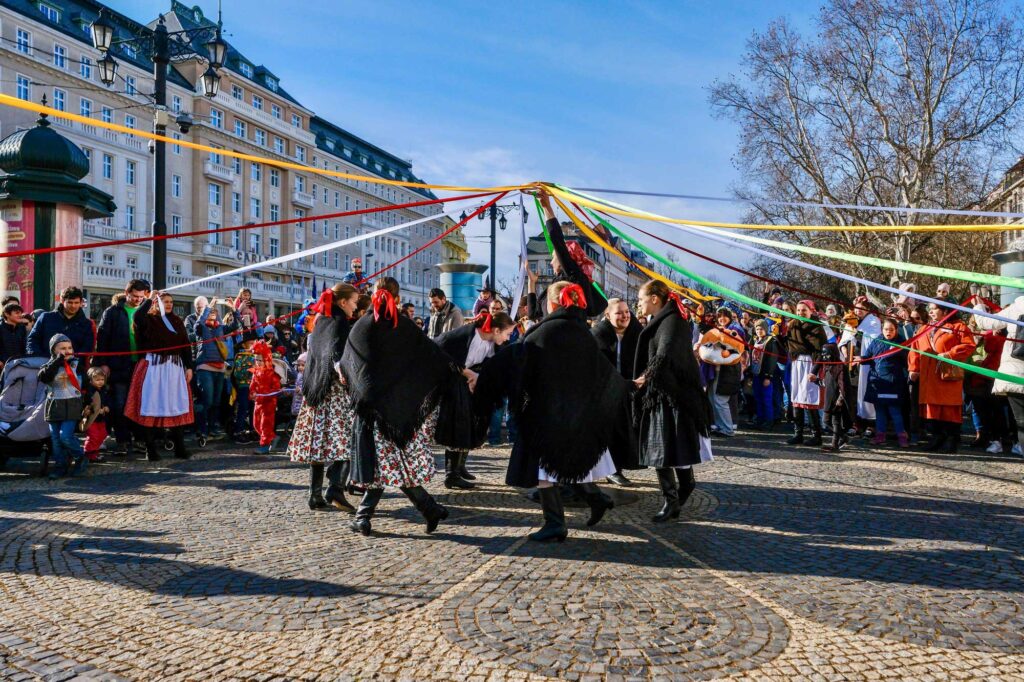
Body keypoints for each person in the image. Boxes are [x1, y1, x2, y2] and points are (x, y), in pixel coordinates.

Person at [475, 281, 633, 542]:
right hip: (578, 414)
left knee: (545, 472)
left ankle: (555, 523)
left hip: (549, 415)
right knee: (567, 466)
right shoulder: (582, 331)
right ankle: (597, 499)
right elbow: (603, 371)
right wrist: (625, 387)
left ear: (552, 303)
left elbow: (519, 363)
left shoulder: (544, 331)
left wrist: (483, 378)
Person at [341, 277, 462, 536]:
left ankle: (367, 517)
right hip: (398, 410)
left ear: (373, 295)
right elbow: (432, 356)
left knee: (382, 466)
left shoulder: (362, 325)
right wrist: (455, 372)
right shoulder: (405, 326)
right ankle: (429, 509)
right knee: (392, 466)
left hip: (372, 411)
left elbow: (348, 365)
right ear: (396, 298)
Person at [633, 280, 713, 522]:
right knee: (668, 449)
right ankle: (677, 495)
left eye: (641, 299)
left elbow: (665, 354)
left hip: (670, 396)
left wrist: (644, 378)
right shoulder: (666, 319)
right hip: (665, 394)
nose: (639, 303)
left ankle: (673, 500)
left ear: (655, 299)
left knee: (663, 450)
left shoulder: (671, 321)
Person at [288, 284, 360, 512]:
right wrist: (342, 371)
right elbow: (337, 352)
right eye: (354, 302)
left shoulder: (321, 321)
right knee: (347, 440)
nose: (356, 307)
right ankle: (335, 487)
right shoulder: (339, 323)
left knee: (317, 444)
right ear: (343, 302)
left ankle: (314, 494)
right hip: (333, 391)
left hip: (315, 390)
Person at [433, 310, 516, 489]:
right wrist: (468, 373)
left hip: (470, 384)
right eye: (507, 333)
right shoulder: (462, 337)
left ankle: (460, 466)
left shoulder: (492, 343)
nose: (508, 338)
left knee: (472, 424)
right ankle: (451, 473)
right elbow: (441, 355)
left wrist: (478, 377)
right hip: (453, 384)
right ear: (495, 330)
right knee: (458, 426)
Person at [124, 291, 194, 461]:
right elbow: (138, 316)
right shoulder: (148, 319)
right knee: (151, 405)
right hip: (153, 368)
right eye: (164, 302)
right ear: (156, 303)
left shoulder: (177, 321)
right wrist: (149, 299)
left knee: (176, 405)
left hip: (174, 369)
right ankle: (151, 450)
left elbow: (185, 345)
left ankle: (180, 448)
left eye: (170, 302)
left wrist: (189, 366)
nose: (168, 304)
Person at [525, 192, 606, 320]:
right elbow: (533, 314)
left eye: (553, 257)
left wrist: (547, 208)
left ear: (566, 257)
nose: (551, 262)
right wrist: (531, 283)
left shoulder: (574, 276)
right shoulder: (555, 284)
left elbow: (557, 240)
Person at [908, 302, 975, 453]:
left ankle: (951, 439)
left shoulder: (958, 327)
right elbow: (914, 349)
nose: (930, 312)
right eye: (929, 309)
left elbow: (969, 345)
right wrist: (913, 368)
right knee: (931, 409)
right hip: (928, 377)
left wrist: (950, 354)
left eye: (934, 309)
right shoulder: (924, 328)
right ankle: (936, 437)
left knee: (948, 409)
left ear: (945, 310)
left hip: (947, 376)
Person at [592, 297, 643, 486]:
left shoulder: (637, 333)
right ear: (607, 315)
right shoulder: (598, 335)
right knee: (609, 432)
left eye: (627, 311)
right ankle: (611, 470)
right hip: (606, 391)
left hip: (631, 390)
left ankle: (619, 466)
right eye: (619, 312)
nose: (624, 316)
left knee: (625, 431)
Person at [96, 279, 150, 455]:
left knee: (141, 404)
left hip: (141, 365)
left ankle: (141, 439)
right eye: (134, 296)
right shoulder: (112, 312)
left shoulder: (148, 311)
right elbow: (102, 337)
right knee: (119, 404)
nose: (137, 300)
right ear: (126, 293)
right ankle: (122, 440)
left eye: (141, 297)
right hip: (119, 365)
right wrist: (103, 362)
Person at [973, 296, 1024, 461]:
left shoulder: (1017, 307)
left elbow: (986, 323)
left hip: (1014, 374)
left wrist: (979, 307)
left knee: (1022, 423)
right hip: (1014, 374)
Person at [38, 334, 87, 478]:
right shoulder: (48, 365)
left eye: (69, 348)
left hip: (72, 404)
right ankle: (60, 465)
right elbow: (44, 377)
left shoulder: (77, 365)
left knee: (65, 436)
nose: (67, 351)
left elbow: (86, 385)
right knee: (56, 439)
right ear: (54, 350)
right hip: (54, 405)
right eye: (63, 348)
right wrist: (57, 361)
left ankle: (80, 457)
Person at [860, 319, 910, 447]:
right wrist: (861, 359)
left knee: (895, 412)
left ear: (896, 330)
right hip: (878, 382)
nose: (888, 332)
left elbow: (907, 361)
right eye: (886, 329)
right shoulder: (877, 341)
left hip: (893, 383)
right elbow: (868, 357)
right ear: (882, 330)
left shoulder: (902, 343)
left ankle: (902, 436)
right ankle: (880, 435)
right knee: (880, 411)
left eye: (891, 329)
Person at [786, 300, 829, 446]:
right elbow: (789, 344)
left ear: (811, 311)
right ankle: (798, 433)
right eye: (798, 310)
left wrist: (815, 371)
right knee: (797, 397)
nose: (800, 313)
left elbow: (821, 351)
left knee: (809, 399)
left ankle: (816, 435)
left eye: (804, 310)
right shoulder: (793, 325)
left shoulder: (817, 328)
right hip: (797, 363)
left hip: (810, 364)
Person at [27, 287, 95, 375]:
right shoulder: (46, 318)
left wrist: (74, 362)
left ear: (81, 303)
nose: (73, 306)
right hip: (44, 368)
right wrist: (38, 358)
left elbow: (87, 347)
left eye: (76, 303)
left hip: (72, 370)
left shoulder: (87, 324)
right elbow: (33, 340)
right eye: (70, 302)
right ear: (62, 301)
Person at [194, 304, 229, 446]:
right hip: (205, 367)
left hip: (219, 368)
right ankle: (201, 429)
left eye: (214, 312)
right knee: (207, 400)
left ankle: (212, 428)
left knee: (216, 401)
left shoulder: (220, 328)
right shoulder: (202, 328)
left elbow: (236, 326)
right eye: (210, 312)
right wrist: (206, 309)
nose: (212, 313)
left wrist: (234, 308)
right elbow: (198, 324)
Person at [852, 296, 882, 435]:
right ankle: (858, 423)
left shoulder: (873, 321)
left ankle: (871, 424)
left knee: (867, 391)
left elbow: (873, 340)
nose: (858, 311)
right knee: (855, 392)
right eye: (856, 308)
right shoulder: (852, 320)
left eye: (861, 309)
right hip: (854, 362)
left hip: (867, 362)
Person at [249, 341, 281, 454]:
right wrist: (252, 392)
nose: (258, 362)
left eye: (260, 360)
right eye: (256, 360)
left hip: (269, 403)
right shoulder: (255, 372)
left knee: (265, 424)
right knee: (256, 423)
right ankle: (272, 437)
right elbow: (252, 385)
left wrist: (268, 393)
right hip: (258, 402)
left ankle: (265, 445)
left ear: (266, 359)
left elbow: (276, 387)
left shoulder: (272, 374)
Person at [819, 342, 853, 451]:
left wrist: (840, 399)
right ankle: (843, 437)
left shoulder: (840, 367)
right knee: (826, 421)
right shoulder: (827, 366)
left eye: (826, 354)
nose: (824, 357)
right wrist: (816, 381)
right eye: (823, 354)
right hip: (829, 398)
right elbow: (826, 382)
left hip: (837, 399)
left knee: (835, 422)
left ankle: (835, 444)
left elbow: (843, 385)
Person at [750, 318, 782, 430]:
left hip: (765, 374)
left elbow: (772, 359)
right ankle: (760, 419)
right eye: (757, 329)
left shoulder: (770, 341)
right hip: (756, 373)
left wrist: (768, 376)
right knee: (758, 398)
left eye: (761, 329)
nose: (759, 331)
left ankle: (769, 420)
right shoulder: (754, 340)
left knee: (767, 398)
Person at [231, 331, 259, 444]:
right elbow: (237, 374)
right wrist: (249, 370)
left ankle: (253, 430)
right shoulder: (240, 357)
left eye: (254, 342)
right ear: (243, 345)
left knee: (254, 408)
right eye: (250, 343)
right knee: (243, 408)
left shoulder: (257, 356)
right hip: (244, 386)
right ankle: (239, 431)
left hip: (255, 387)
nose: (253, 345)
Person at [81, 367, 111, 463]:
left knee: (102, 434)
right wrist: (97, 410)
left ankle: (94, 452)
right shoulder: (90, 391)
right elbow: (88, 404)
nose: (100, 382)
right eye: (97, 380)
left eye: (102, 379)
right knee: (93, 436)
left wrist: (106, 406)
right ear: (91, 380)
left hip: (100, 418)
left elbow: (105, 401)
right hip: (92, 419)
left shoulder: (103, 390)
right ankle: (88, 453)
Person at [0, 301, 27, 366]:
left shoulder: (22, 328)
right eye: (17, 313)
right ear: (7, 314)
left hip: (20, 365)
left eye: (21, 313)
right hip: (3, 366)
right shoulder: (0, 328)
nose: (20, 315)